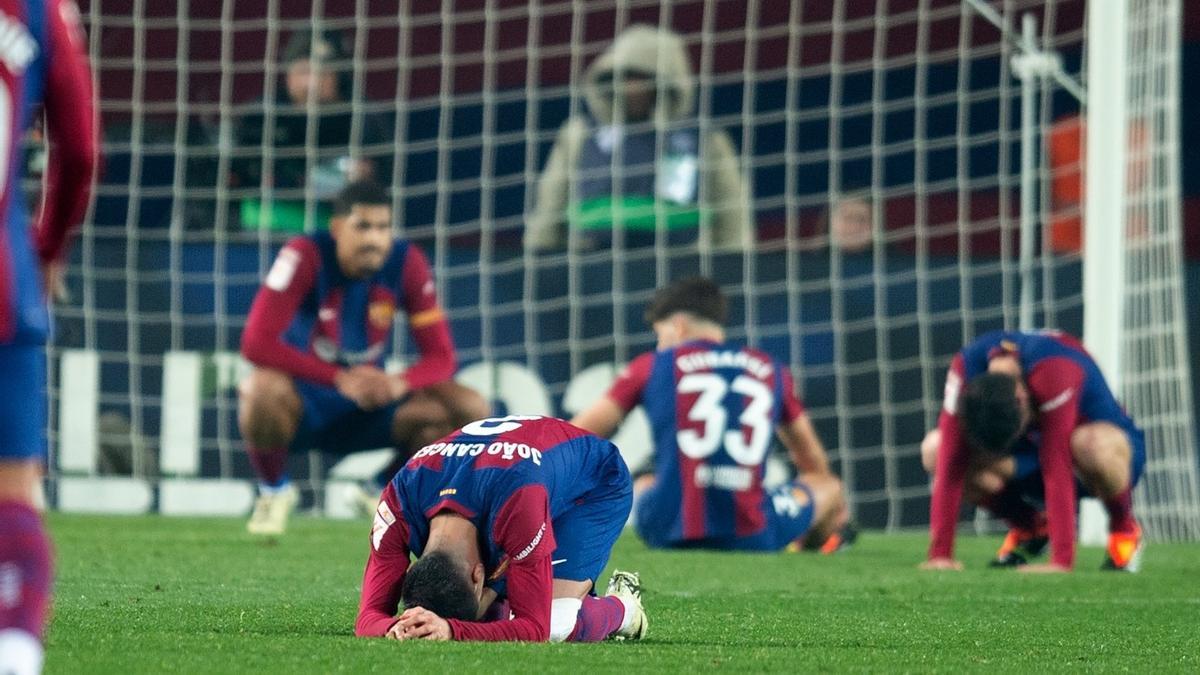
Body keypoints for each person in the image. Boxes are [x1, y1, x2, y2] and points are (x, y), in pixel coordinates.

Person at [238, 180, 489, 535]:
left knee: (469, 407)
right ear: (338, 228)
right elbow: (254, 343)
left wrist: (397, 383)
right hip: (306, 403)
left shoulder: (406, 262)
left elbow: (443, 357)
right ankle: (274, 492)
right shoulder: (305, 254)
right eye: (363, 227)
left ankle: (380, 492)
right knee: (258, 387)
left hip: (369, 406)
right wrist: (339, 379)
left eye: (383, 228)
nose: (374, 239)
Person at [571, 277, 853, 552]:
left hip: (665, 528)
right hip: (753, 532)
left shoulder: (650, 365)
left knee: (645, 483)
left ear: (678, 326)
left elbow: (576, 435)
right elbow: (810, 459)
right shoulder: (770, 368)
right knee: (828, 485)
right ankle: (816, 544)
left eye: (660, 335)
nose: (660, 345)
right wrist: (830, 511)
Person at [0, 1, 100, 672]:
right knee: (12, 500)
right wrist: (45, 251)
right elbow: (81, 150)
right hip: (4, 284)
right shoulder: (37, 10)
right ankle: (15, 651)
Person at [354, 415, 646, 643]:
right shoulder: (397, 501)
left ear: (478, 575)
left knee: (557, 623)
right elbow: (367, 619)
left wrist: (453, 631)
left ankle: (624, 609)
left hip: (592, 485)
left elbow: (535, 630)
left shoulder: (517, 503)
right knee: (490, 616)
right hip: (517, 478)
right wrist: (400, 626)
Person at [920, 329, 1146, 573]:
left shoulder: (1055, 368)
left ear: (1021, 397)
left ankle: (1124, 529)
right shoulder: (965, 370)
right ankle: (1032, 527)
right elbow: (950, 461)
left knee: (1089, 444)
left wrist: (1060, 562)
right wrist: (940, 555)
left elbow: (1056, 463)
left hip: (1092, 460)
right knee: (935, 448)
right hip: (1031, 462)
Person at [524, 25, 751, 252]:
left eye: (643, 78)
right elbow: (549, 205)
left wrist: (734, 263)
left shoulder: (704, 140)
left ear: (666, 81)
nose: (632, 87)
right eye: (625, 76)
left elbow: (732, 212)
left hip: (680, 260)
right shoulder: (580, 134)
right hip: (591, 262)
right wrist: (537, 254)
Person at [231, 29, 392, 232]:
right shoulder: (262, 116)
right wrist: (304, 180)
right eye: (304, 71)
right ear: (288, 74)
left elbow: (383, 179)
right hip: (267, 230)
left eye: (323, 73)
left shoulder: (363, 118)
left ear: (339, 77)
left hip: (338, 231)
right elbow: (244, 176)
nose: (312, 83)